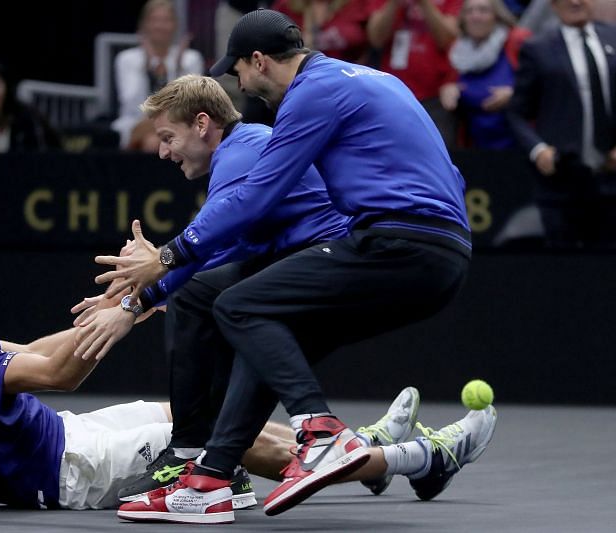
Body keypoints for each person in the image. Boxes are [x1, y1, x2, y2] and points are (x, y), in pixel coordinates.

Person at [91, 8, 497, 524]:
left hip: (398, 244)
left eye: (236, 70)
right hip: (439, 252)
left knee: (237, 304)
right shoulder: (373, 80)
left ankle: (320, 433)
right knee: (266, 326)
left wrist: (166, 260)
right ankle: (211, 477)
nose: (237, 83)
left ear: (259, 61)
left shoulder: (311, 94)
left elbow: (256, 199)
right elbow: (450, 175)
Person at [71, 74, 418, 504]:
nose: (162, 151)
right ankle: (223, 461)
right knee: (202, 301)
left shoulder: (242, 154)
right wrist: (141, 295)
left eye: (167, 137)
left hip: (326, 265)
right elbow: (216, 251)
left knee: (201, 300)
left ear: (202, 124)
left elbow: (205, 246)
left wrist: (140, 295)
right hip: (302, 262)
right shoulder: (245, 146)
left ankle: (194, 453)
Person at [0, 212, 328, 511]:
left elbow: (35, 353)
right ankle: (377, 457)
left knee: (188, 415)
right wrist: (126, 310)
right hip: (69, 472)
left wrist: (125, 302)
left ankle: (337, 441)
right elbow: (60, 373)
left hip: (67, 434)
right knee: (208, 436)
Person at [507, 0, 616, 247]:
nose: (575, 1)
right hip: (561, 181)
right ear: (553, 5)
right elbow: (516, 113)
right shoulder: (538, 48)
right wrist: (538, 150)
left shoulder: (614, 37)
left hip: (611, 181)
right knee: (565, 270)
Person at [367, 0, 463, 146]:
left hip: (435, 94)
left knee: (435, 150)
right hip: (393, 92)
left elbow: (447, 39)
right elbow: (376, 39)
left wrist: (424, 3)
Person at [111, 0, 204, 148]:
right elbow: (132, 105)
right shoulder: (127, 59)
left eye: (166, 20)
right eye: (154, 20)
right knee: (154, 141)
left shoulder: (190, 58)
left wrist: (178, 71)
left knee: (154, 143)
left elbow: (189, 107)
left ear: (175, 25)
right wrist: (147, 71)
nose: (160, 26)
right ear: (144, 25)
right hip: (137, 125)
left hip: (178, 126)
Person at [440, 0, 531, 149]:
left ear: (497, 15)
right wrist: (448, 90)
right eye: (469, 11)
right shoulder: (457, 50)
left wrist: (514, 94)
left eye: (483, 10)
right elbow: (449, 85)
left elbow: (544, 85)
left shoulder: (518, 41)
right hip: (476, 146)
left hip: (519, 143)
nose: (476, 17)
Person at [272, 0, 373, 63]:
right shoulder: (286, 6)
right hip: (303, 79)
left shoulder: (356, 4)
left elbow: (373, 42)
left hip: (351, 77)